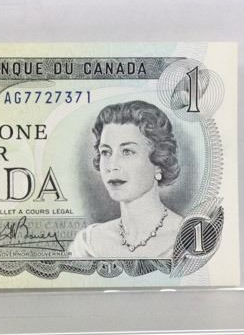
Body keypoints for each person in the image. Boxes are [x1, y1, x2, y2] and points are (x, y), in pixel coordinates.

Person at [70, 100, 183, 259]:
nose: (112, 165)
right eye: (106, 152)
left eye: (127, 151)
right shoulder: (88, 243)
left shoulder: (189, 239)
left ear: (159, 162)